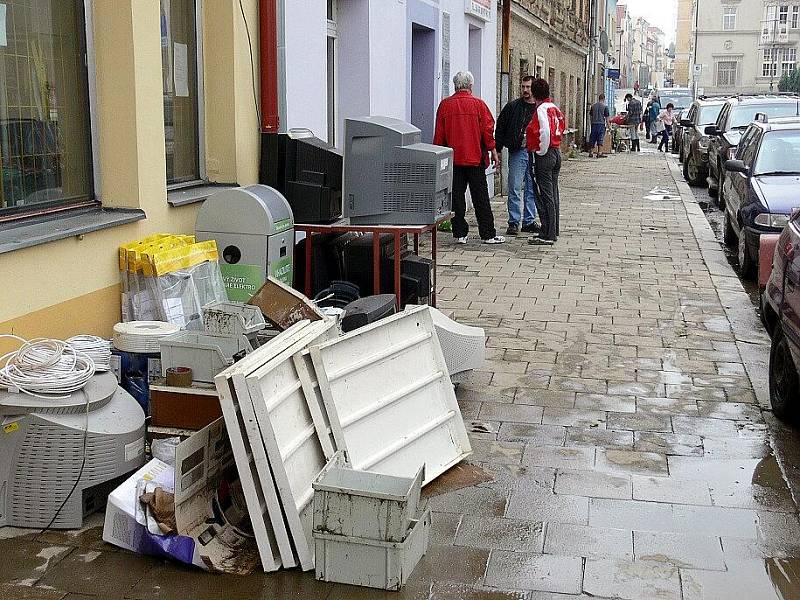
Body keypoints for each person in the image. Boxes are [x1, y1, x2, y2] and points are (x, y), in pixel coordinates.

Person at [433, 71, 505, 245]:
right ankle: (487, 234)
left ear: (455, 85)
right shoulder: (478, 105)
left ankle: (460, 234)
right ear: (470, 86)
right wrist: (493, 150)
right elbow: (487, 131)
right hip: (474, 159)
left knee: (456, 197)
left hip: (454, 160)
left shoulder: (445, 105)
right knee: (480, 197)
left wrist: (438, 157)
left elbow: (439, 136)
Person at [495, 76, 539, 236]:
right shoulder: (513, 107)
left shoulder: (540, 108)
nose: (525, 90)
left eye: (528, 87)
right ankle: (513, 222)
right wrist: (497, 149)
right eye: (523, 87)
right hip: (517, 151)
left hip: (534, 152)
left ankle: (529, 221)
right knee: (514, 186)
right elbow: (500, 127)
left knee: (531, 187)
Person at [526, 78, 565, 246]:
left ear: (534, 94)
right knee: (553, 193)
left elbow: (544, 132)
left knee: (544, 194)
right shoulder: (554, 108)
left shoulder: (541, 109)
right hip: (556, 152)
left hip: (545, 154)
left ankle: (548, 233)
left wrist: (540, 151)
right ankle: (553, 228)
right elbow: (561, 126)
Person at [588, 93, 611, 158]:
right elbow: (607, 118)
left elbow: (591, 116)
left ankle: (591, 152)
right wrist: (609, 127)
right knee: (600, 138)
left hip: (594, 124)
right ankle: (599, 153)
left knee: (593, 138)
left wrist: (591, 123)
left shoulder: (593, 106)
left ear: (599, 98)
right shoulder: (605, 107)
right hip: (601, 124)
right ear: (604, 99)